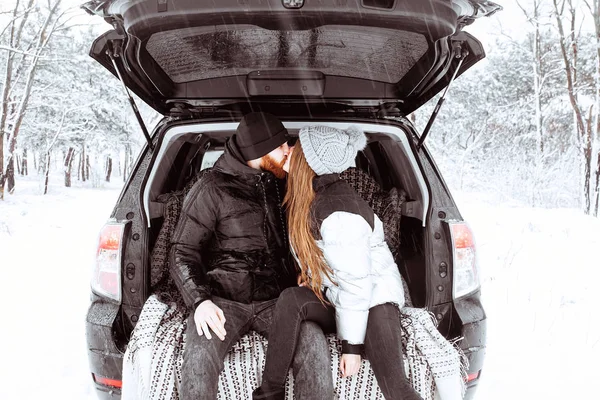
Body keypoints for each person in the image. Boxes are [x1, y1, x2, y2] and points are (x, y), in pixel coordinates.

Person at [170, 113, 334, 400]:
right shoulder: (210, 188)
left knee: (313, 343)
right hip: (224, 300)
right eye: (282, 145)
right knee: (198, 361)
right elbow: (182, 251)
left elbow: (297, 239)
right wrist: (200, 301)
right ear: (259, 150)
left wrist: (304, 274)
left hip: (278, 301)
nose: (289, 150)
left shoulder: (280, 182)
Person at [253, 125, 424, 400]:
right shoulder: (314, 196)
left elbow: (357, 285)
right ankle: (269, 393)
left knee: (395, 386)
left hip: (374, 298)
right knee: (290, 300)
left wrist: (352, 347)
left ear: (310, 160)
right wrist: (312, 277)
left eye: (297, 147)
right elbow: (333, 263)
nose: (289, 151)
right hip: (341, 294)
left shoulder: (338, 209)